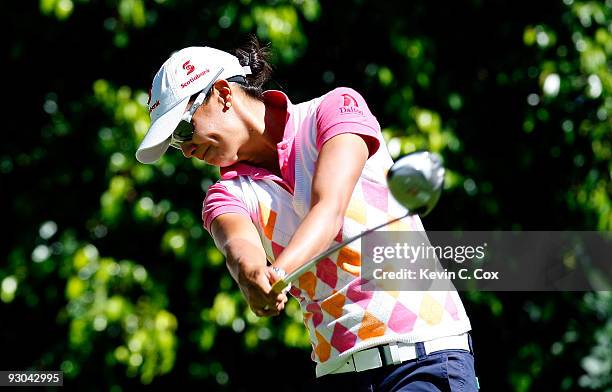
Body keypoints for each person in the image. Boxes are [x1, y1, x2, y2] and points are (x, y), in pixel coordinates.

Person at [136, 37, 479, 391]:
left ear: (223, 94)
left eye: (183, 130)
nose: (188, 151)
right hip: (338, 374)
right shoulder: (224, 195)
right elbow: (239, 245)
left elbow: (328, 209)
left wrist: (279, 270)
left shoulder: (335, 110)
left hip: (422, 359)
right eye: (176, 145)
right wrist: (253, 276)